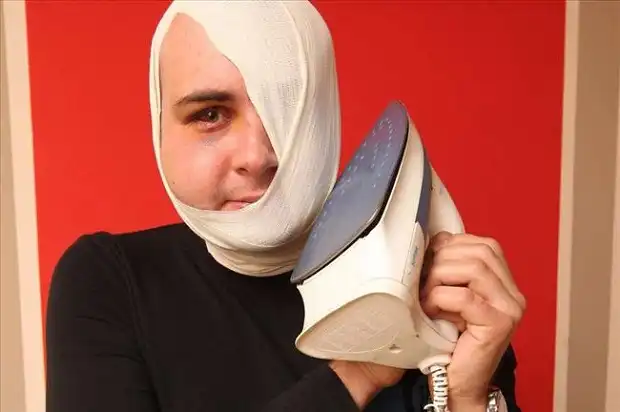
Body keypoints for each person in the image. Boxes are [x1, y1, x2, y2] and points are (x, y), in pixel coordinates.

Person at [45, 1, 526, 412]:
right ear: (161, 128)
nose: (257, 157)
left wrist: (468, 395)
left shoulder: (434, 288)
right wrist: (359, 371)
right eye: (210, 115)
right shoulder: (110, 281)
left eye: (289, 110)